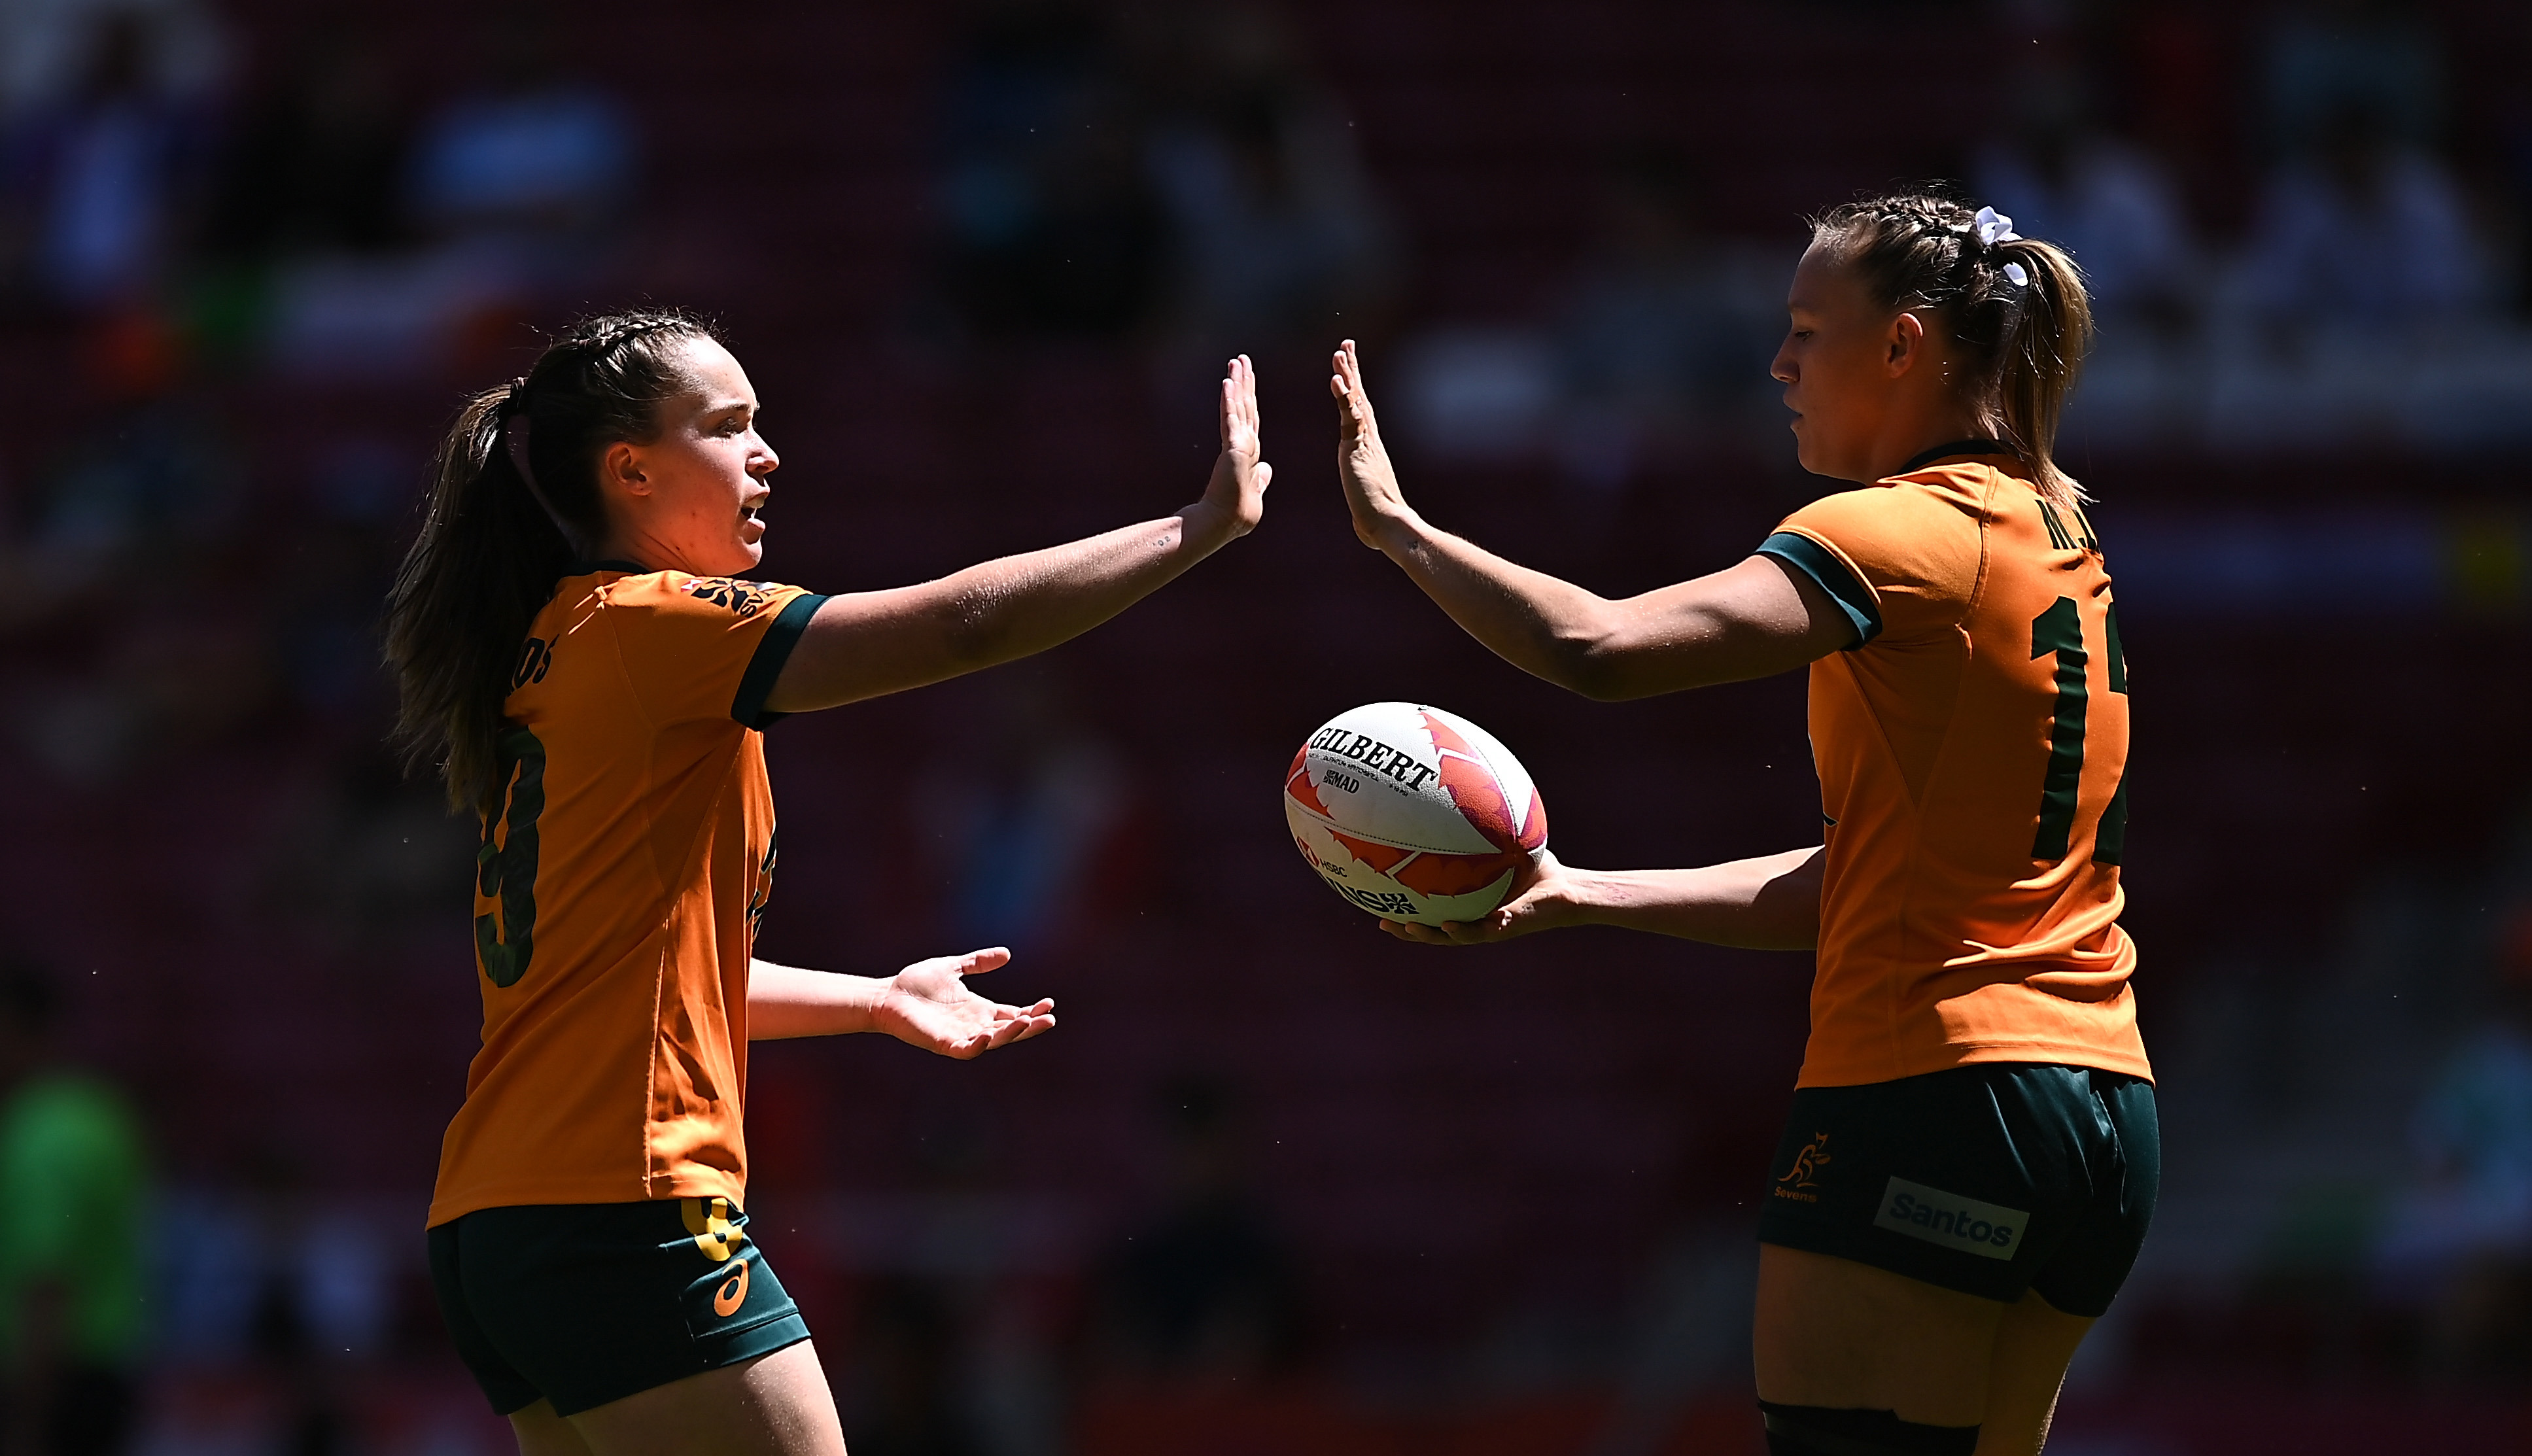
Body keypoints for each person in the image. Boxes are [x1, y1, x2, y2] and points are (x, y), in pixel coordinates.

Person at [1327, 194, 2151, 1456]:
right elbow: (1867, 883)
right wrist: (1583, 890)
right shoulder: (2059, 535)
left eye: (1808, 331)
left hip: (1930, 1090)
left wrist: (1401, 533)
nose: (1777, 364)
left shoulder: (1893, 531)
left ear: (1903, 347)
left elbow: (1596, 648)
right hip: (2098, 1111)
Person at [381, 308, 1270, 1456]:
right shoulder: (656, 632)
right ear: (631, 470)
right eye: (727, 426)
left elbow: (657, 979)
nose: (768, 453)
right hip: (625, 1207)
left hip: (497, 1227)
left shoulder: (558, 651)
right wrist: (1193, 531)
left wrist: (875, 1000)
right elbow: (953, 629)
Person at [0, 960, 150, 1456]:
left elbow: (48, 1278)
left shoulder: (41, 1134)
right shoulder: (101, 1114)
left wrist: (28, 1421)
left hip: (49, 1383)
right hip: (107, 1370)